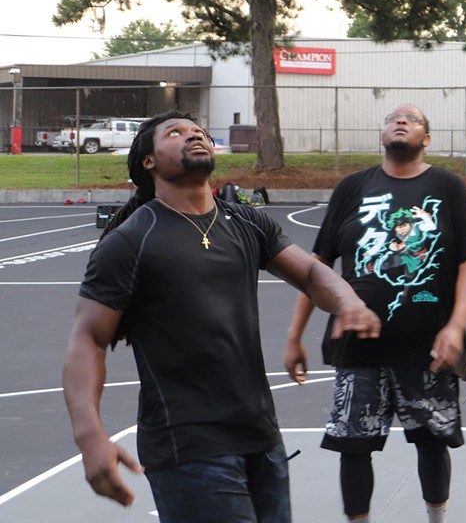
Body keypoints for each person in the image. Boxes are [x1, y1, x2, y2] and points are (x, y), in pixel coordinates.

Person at [62, 111, 381, 523]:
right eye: (175, 133)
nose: (193, 136)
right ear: (148, 162)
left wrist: (348, 302)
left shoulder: (246, 221)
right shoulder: (130, 241)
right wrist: (90, 438)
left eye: (198, 132)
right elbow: (87, 340)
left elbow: (310, 271)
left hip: (261, 436)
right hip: (188, 446)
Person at [284, 104, 466, 523]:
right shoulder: (352, 188)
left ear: (425, 139)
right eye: (393, 118)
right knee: (353, 445)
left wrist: (456, 326)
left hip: (428, 345)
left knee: (432, 441)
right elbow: (316, 266)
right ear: (381, 134)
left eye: (412, 120)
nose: (401, 122)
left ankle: (437, 518)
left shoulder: (447, 187)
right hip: (357, 346)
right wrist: (293, 336)